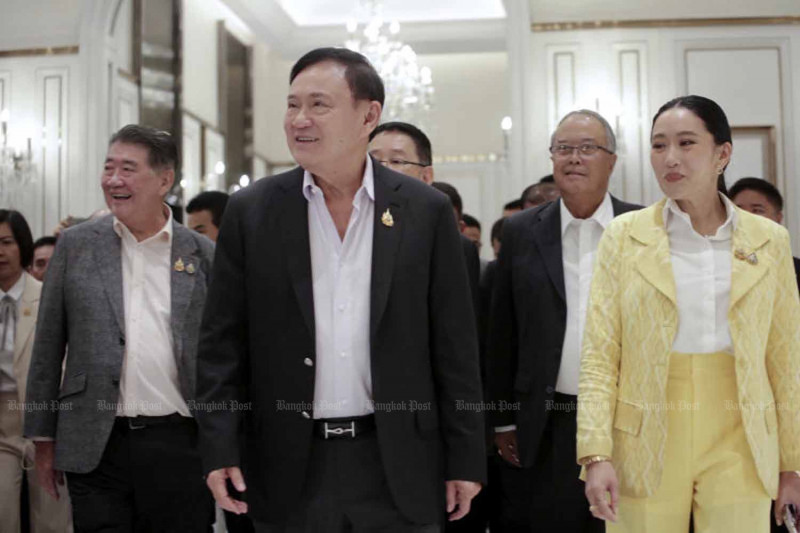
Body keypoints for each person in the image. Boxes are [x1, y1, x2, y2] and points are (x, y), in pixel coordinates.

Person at [196, 47, 486, 532]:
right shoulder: (252, 211)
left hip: (399, 465)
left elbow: (455, 347)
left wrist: (465, 458)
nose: (298, 120)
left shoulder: (424, 210)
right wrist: (219, 447)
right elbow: (221, 346)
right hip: (287, 466)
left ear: (369, 115)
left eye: (318, 105)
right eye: (292, 105)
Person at [578, 95, 800, 533]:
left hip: (742, 429)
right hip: (644, 428)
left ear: (723, 153)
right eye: (659, 146)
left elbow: (786, 358)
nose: (670, 158)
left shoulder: (768, 240)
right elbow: (600, 354)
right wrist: (596, 454)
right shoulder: (624, 236)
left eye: (686, 143)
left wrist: (793, 464)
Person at [24, 125, 216, 532]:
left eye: (128, 169)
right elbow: (47, 347)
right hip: (96, 441)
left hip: (180, 443)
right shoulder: (76, 246)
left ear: (164, 180)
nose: (113, 179)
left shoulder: (201, 254)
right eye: (108, 167)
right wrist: (42, 438)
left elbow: (224, 353)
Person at [488, 109, 640, 532]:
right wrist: (503, 418)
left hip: (626, 418)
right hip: (547, 419)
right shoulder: (520, 231)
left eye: (588, 148)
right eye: (563, 148)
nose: (574, 158)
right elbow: (503, 331)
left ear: (612, 159)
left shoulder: (643, 227)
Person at [0, 210, 73, 533]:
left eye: (7, 242)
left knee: (52, 519)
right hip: (3, 424)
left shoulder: (47, 297)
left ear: (23, 245)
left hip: (47, 420)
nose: (0, 252)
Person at [368, 121, 481, 315]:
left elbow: (458, 324)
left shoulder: (456, 246)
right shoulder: (348, 231)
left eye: (397, 161)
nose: (382, 170)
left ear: (426, 176)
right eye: (374, 162)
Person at [729, 177, 800, 293]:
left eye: (757, 210)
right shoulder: (717, 267)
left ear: (778, 218)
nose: (746, 217)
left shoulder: (794, 271)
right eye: (738, 210)